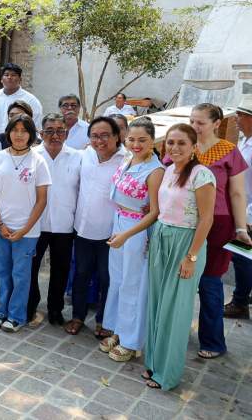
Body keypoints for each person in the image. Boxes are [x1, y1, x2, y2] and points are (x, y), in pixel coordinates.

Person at [144, 124, 215, 390]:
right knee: (157, 303)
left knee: (175, 311)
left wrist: (192, 256)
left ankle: (167, 374)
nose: (174, 147)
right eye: (171, 142)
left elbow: (206, 219)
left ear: (194, 147)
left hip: (186, 243)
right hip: (161, 238)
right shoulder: (168, 171)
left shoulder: (202, 175)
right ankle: (152, 363)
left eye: (181, 143)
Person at [188, 103, 249, 359]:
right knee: (180, 280)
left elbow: (237, 193)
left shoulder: (229, 151)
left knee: (209, 282)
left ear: (216, 123)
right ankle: (174, 332)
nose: (194, 127)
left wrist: (240, 227)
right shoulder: (183, 145)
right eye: (192, 121)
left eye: (200, 123)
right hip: (184, 222)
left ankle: (213, 341)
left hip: (218, 224)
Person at [100, 118, 164, 361]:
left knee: (134, 284)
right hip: (119, 222)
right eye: (132, 139)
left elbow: (155, 211)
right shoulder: (128, 160)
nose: (136, 144)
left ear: (152, 141)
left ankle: (131, 340)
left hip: (137, 228)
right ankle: (118, 330)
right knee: (117, 280)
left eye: (142, 140)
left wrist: (127, 234)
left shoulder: (155, 170)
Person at [0, 114, 51, 332]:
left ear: (31, 134)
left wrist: (25, 229)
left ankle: (16, 316)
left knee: (21, 275)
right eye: (15, 130)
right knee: (3, 271)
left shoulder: (38, 161)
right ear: (9, 132)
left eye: (24, 130)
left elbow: (42, 200)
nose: (19, 134)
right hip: (0, 227)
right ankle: (2, 310)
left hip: (27, 230)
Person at [66, 117, 125, 337]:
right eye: (94, 136)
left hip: (111, 233)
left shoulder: (126, 160)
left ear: (116, 136)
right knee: (81, 274)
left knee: (106, 278)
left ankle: (104, 321)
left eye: (104, 135)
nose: (99, 140)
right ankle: (78, 317)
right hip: (82, 229)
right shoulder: (85, 155)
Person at [27, 113, 81, 326]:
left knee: (60, 269)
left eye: (60, 131)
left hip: (64, 224)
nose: (55, 135)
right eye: (49, 131)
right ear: (41, 134)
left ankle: (55, 309)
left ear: (66, 133)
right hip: (36, 224)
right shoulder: (31, 156)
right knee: (31, 267)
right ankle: (30, 305)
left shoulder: (78, 157)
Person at [225, 96, 252, 319]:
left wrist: (247, 216)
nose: (236, 119)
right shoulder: (244, 141)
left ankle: (240, 301)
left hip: (247, 213)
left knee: (242, 257)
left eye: (241, 115)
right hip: (239, 209)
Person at [0, 63, 43, 134]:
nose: (9, 77)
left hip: (20, 140)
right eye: (6, 75)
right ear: (1, 79)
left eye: (13, 75)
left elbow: (36, 125)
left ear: (20, 79)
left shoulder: (30, 100)